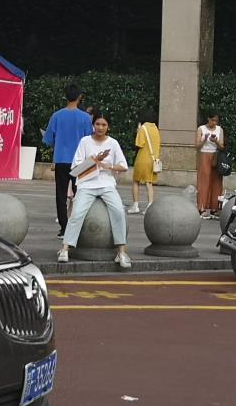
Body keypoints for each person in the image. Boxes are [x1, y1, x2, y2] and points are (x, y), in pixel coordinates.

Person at [57, 113, 131, 268]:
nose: (100, 127)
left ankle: (122, 252)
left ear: (108, 127)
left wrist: (108, 166)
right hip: (86, 184)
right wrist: (93, 162)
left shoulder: (113, 143)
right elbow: (76, 167)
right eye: (97, 124)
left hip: (106, 184)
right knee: (77, 213)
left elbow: (123, 166)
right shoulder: (85, 141)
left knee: (118, 211)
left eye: (104, 125)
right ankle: (65, 249)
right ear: (93, 125)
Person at [43, 83, 93, 238]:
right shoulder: (85, 118)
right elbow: (89, 139)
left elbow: (48, 139)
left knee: (61, 194)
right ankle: (78, 226)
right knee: (81, 194)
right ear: (80, 97)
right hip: (79, 161)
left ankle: (64, 228)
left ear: (65, 96)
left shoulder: (56, 116)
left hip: (61, 159)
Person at [129, 109, 160, 214]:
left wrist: (138, 131)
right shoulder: (155, 128)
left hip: (142, 158)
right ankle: (150, 204)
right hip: (153, 159)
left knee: (136, 181)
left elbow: (139, 143)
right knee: (149, 183)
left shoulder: (143, 128)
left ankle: (135, 205)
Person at [195, 112, 225, 218]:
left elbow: (222, 146)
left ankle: (214, 208)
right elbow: (197, 146)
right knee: (204, 181)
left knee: (216, 182)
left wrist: (216, 141)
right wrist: (204, 140)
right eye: (212, 120)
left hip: (216, 156)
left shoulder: (219, 129)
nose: (214, 122)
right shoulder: (201, 129)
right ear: (208, 119)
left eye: (216, 120)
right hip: (204, 154)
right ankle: (202, 207)